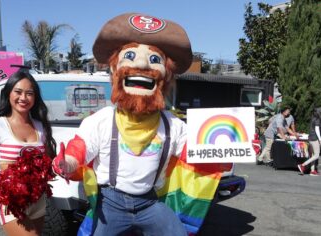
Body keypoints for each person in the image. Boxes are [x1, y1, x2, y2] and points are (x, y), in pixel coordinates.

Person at [53, 13, 230, 235]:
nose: (142, 63)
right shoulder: (102, 120)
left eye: (155, 60)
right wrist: (66, 163)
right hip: (111, 204)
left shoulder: (172, 124)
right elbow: (80, 149)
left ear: (164, 77)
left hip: (149, 204)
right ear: (114, 70)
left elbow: (197, 152)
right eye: (130, 56)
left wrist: (234, 145)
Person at [0, 69, 56, 236]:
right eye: (18, 92)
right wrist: (6, 191)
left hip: (38, 202)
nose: (23, 98)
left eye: (29, 93)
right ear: (9, 94)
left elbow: (48, 163)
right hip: (12, 203)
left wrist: (61, 165)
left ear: (35, 97)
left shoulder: (41, 126)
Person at [298, 107, 321, 176]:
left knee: (313, 155)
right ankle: (303, 165)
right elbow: (317, 130)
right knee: (316, 155)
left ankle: (312, 171)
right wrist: (320, 139)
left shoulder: (313, 118)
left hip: (310, 138)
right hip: (315, 139)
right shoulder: (317, 119)